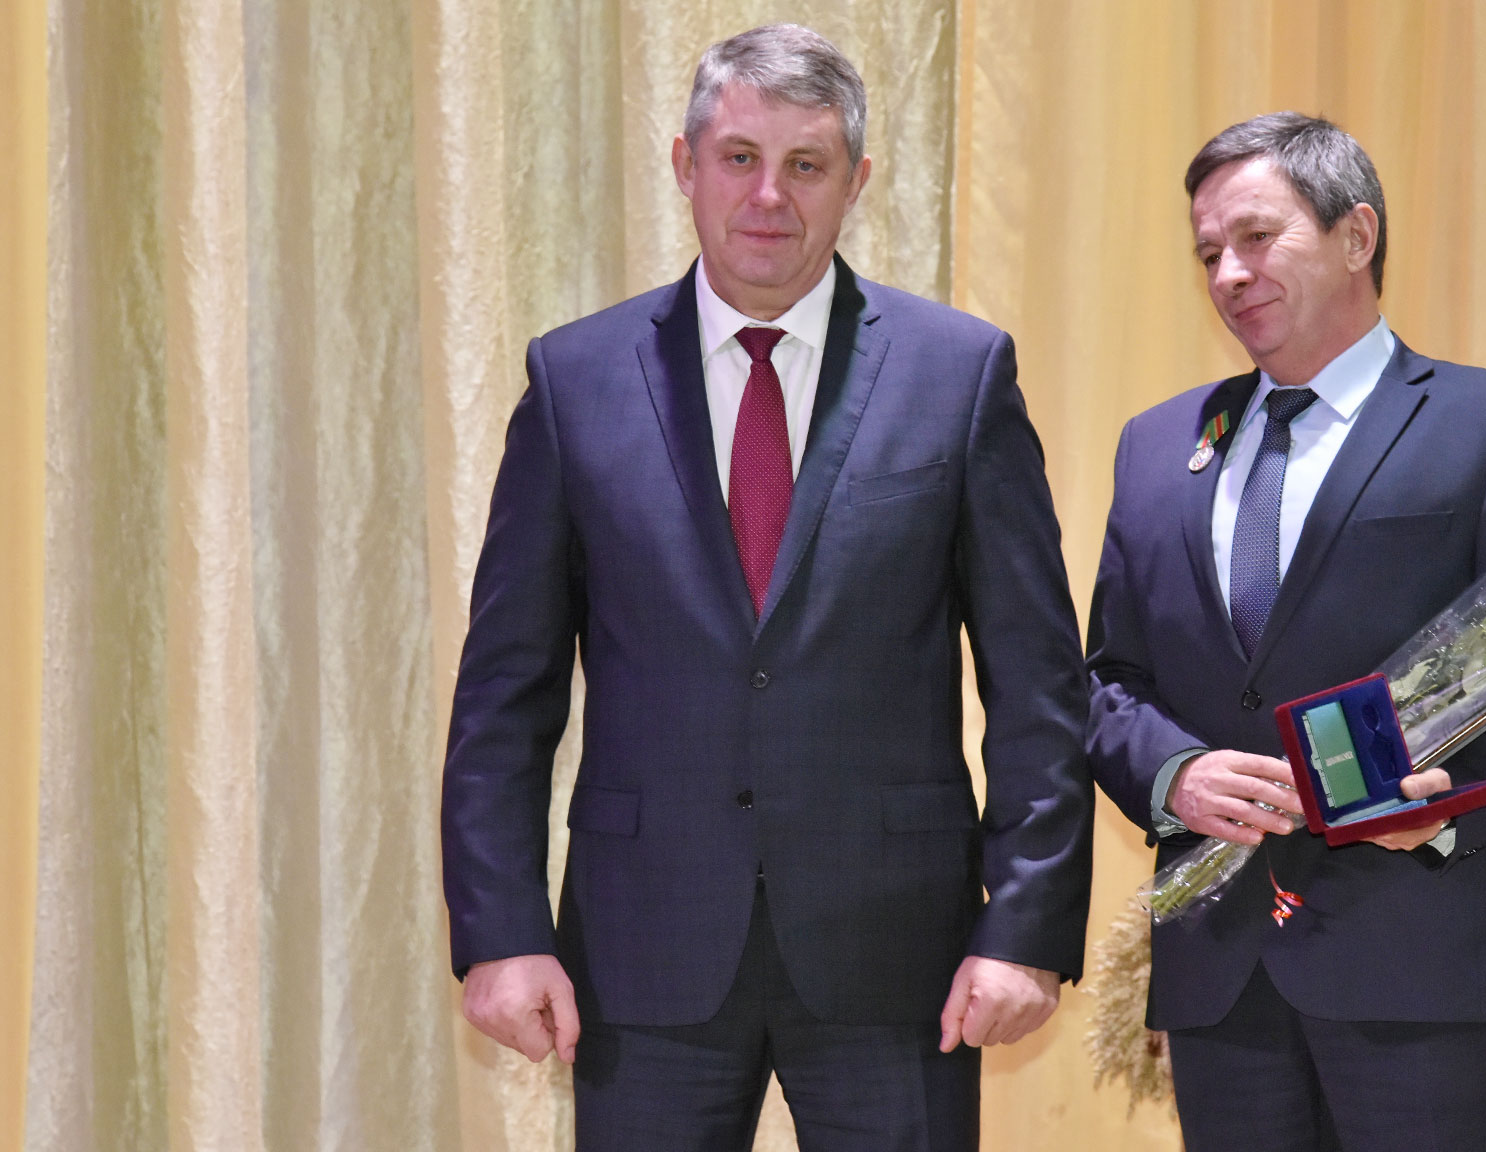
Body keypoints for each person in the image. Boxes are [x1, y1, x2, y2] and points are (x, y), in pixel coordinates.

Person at [440, 24, 1094, 1151]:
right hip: (645, 954)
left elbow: (1038, 683)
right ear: (684, 165)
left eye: (807, 165)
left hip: (899, 958)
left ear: (857, 182)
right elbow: (506, 690)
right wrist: (502, 930)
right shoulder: (575, 378)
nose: (769, 196)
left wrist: (1026, 928)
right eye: (739, 157)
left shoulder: (959, 374)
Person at [1085, 112, 1486, 1151]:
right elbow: (1108, 681)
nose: (1229, 273)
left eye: (1256, 237)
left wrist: (1445, 809)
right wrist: (1175, 775)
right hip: (1222, 981)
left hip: (1422, 964)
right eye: (1208, 253)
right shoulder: (1157, 445)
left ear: (1356, 235)